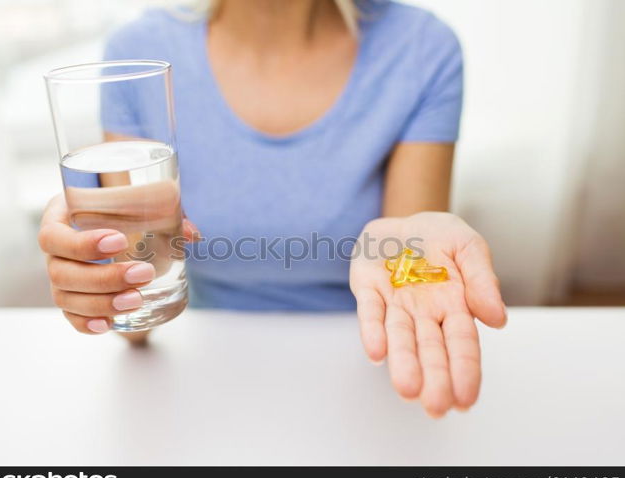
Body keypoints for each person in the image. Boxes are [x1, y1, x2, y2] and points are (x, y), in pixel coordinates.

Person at [38, 0, 507, 418]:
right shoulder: (139, 53)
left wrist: (416, 256)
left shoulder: (421, 49)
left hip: (366, 369)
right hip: (204, 378)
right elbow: (139, 303)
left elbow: (406, 275)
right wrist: (99, 268)